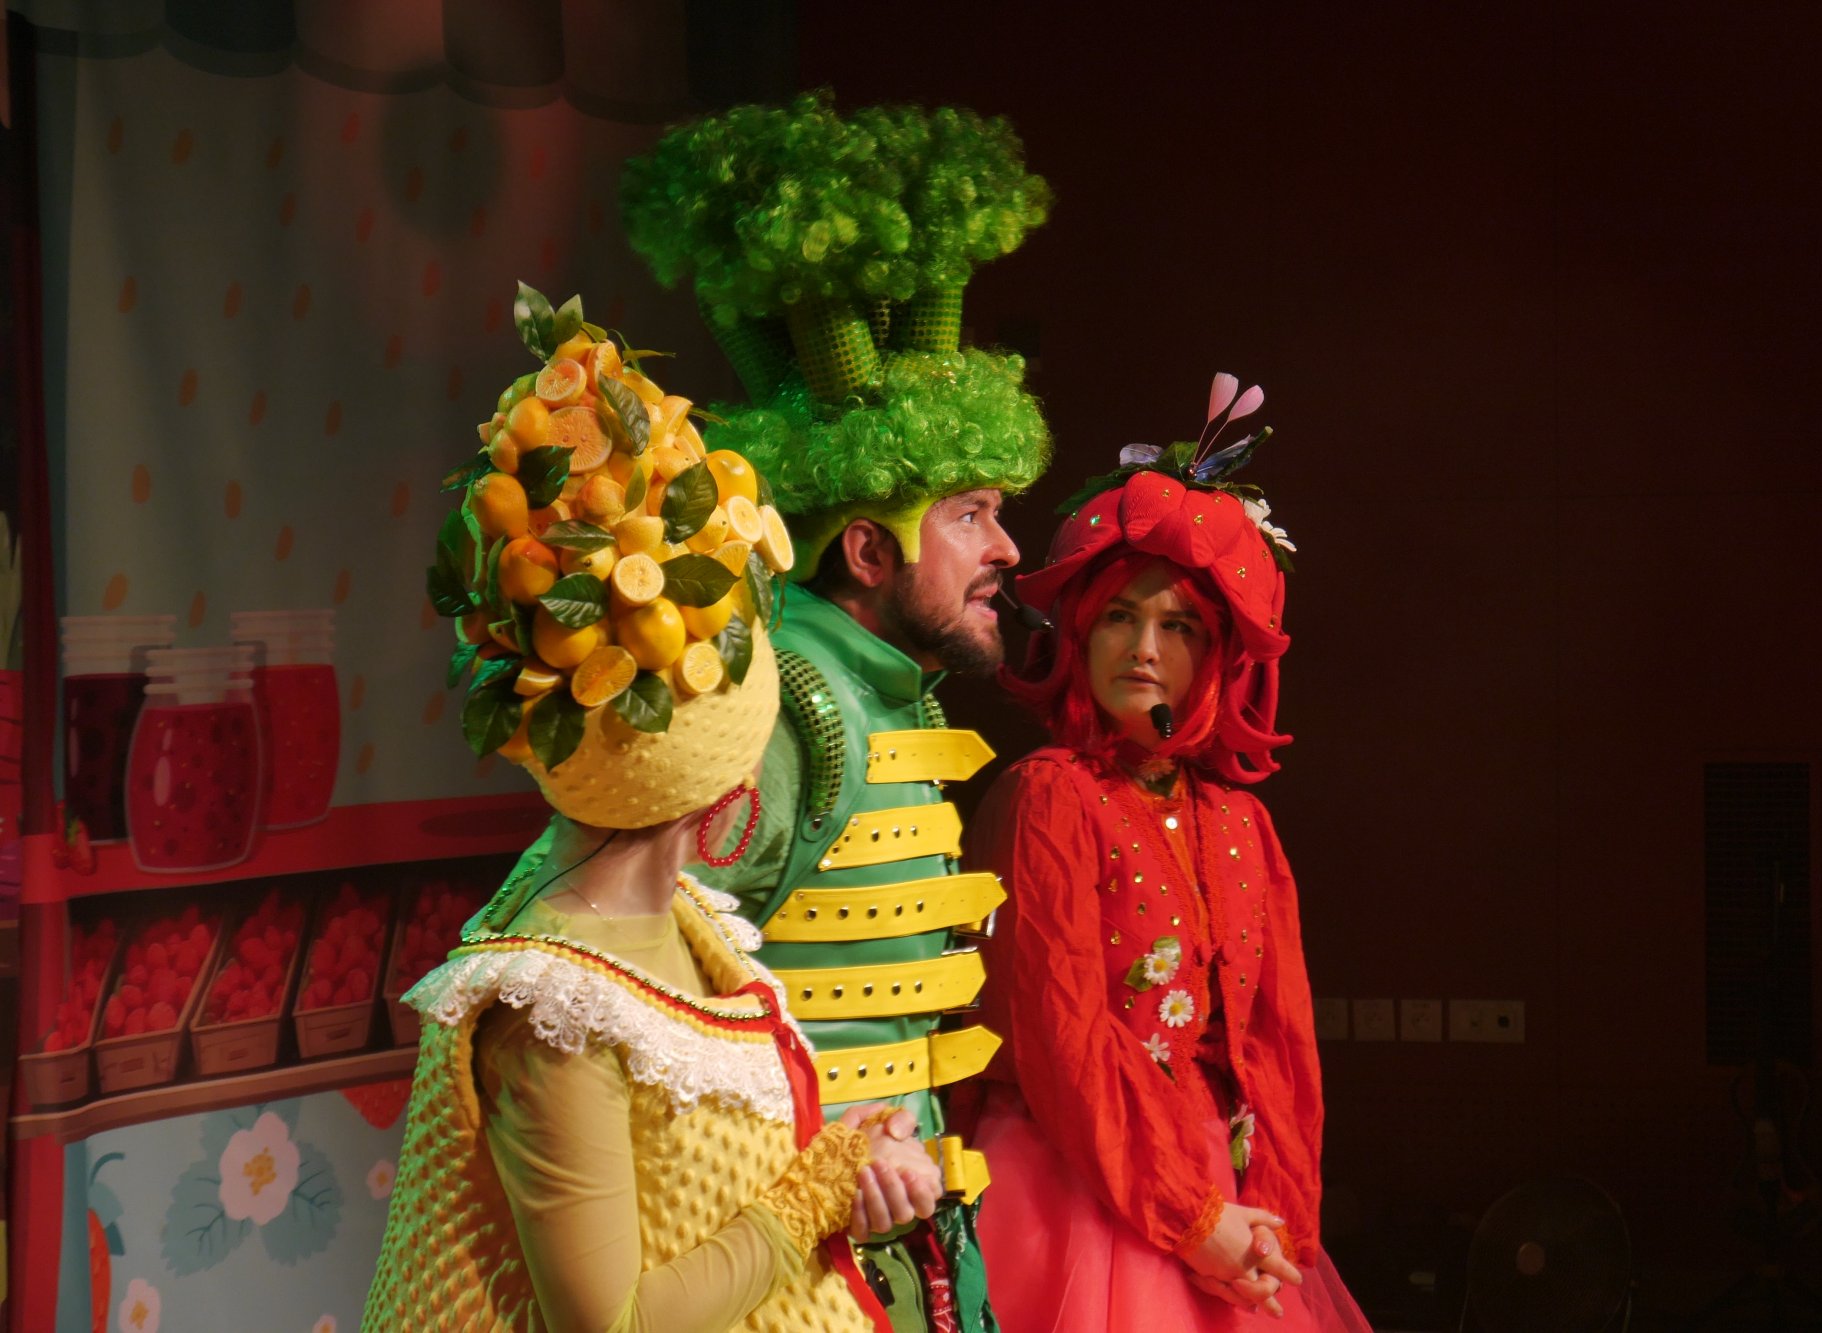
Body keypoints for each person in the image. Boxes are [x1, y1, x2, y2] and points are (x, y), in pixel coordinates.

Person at [365, 320, 941, 1332]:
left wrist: (842, 1151)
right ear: (734, 780)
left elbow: (698, 1185)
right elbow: (616, 1321)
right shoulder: (559, 1006)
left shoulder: (681, 916)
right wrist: (816, 1194)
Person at [622, 94, 1053, 1332]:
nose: (1005, 547)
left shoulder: (874, 691)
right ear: (867, 549)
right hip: (792, 1246)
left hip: (885, 1229)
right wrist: (812, 1156)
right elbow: (645, 981)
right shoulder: (787, 706)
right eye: (968, 515)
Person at [962, 380, 1373, 1331]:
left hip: (1221, 1185)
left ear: (1216, 654)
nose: (1144, 647)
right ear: (1080, 629)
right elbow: (1061, 1038)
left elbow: (1280, 1044)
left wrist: (1279, 1226)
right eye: (1119, 615)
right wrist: (1192, 1220)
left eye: (1178, 625)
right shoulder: (1050, 794)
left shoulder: (1241, 820)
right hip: (1077, 1178)